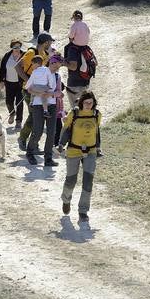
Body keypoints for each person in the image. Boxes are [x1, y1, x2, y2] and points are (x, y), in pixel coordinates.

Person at [59, 90, 102, 222]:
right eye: (86, 103)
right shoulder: (74, 113)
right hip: (73, 150)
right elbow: (66, 129)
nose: (89, 105)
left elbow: (96, 131)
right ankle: (66, 200)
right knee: (71, 180)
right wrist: (61, 144)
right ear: (81, 102)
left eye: (91, 103)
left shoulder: (97, 114)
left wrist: (98, 147)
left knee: (88, 182)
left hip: (91, 151)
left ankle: (83, 211)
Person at [16, 33, 53, 152]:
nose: (51, 44)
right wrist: (28, 81)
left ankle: (31, 143)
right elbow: (17, 66)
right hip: (29, 91)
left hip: (40, 92)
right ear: (46, 42)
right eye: (50, 42)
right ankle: (24, 139)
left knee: (37, 116)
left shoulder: (44, 54)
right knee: (35, 116)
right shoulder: (32, 53)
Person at [25, 56, 57, 167]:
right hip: (38, 105)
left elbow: (56, 90)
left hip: (52, 105)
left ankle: (48, 158)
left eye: (57, 63)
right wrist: (40, 93)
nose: (55, 65)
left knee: (51, 132)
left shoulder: (56, 75)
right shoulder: (38, 72)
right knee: (37, 131)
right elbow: (28, 88)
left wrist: (46, 92)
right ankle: (30, 153)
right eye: (53, 63)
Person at [64, 11, 93, 109]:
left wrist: (63, 62)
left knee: (75, 110)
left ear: (74, 18)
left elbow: (73, 66)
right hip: (85, 84)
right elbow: (95, 63)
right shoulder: (87, 49)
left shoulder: (72, 49)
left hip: (74, 85)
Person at [0, 40, 25, 129]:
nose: (17, 49)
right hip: (9, 83)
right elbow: (2, 68)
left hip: (20, 83)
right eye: (15, 47)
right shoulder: (7, 56)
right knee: (8, 102)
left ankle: (18, 121)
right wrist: (1, 80)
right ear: (12, 47)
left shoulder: (24, 55)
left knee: (19, 102)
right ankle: (12, 113)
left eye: (19, 47)